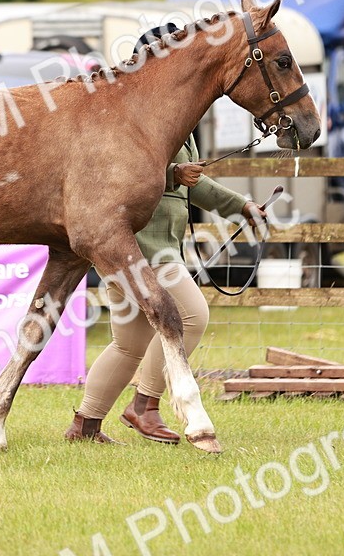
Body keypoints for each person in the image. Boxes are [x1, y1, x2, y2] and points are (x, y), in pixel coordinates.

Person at [65, 24, 268, 445]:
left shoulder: (173, 113)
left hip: (148, 246)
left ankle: (84, 426)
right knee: (193, 316)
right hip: (144, 248)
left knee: (129, 344)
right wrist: (173, 173)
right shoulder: (140, 116)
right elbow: (124, 172)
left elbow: (198, 184)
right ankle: (145, 405)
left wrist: (241, 207)